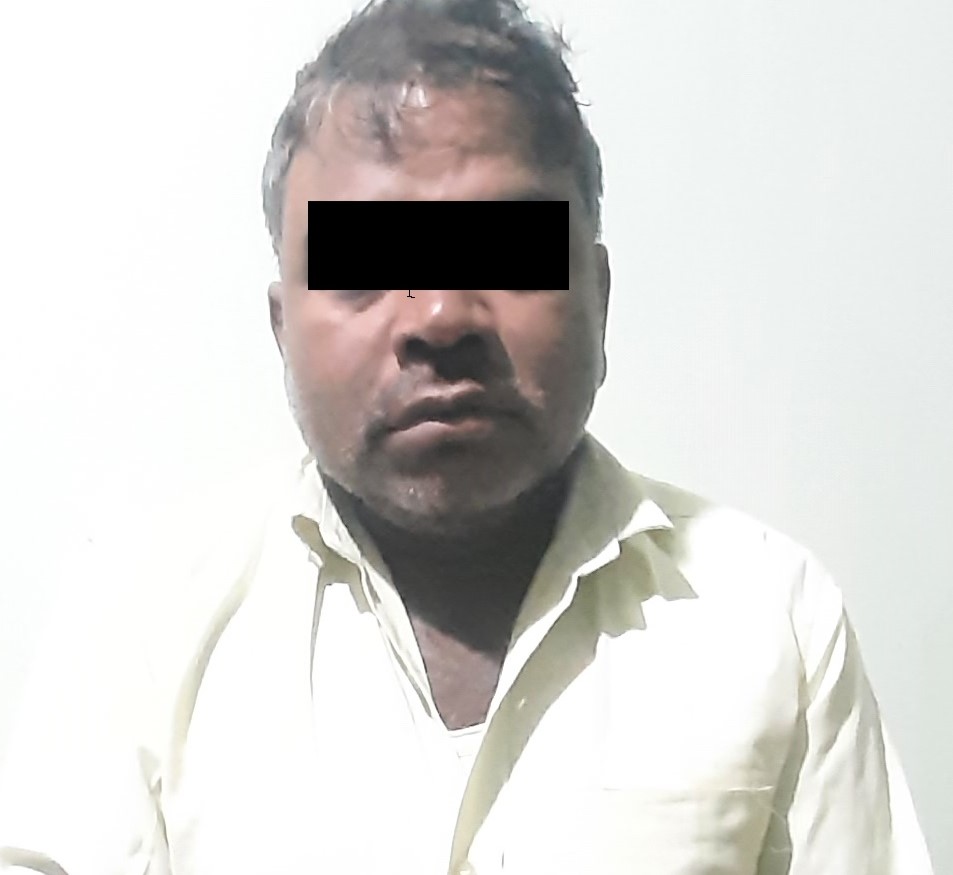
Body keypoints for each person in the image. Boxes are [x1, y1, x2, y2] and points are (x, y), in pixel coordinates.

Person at [0, 0, 936, 873]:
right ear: (283, 329)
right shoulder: (139, 622)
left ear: (599, 299)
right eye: (365, 264)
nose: (441, 315)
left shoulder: (772, 617)